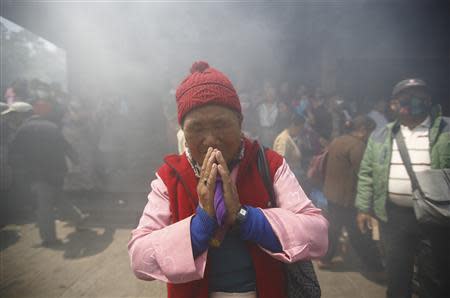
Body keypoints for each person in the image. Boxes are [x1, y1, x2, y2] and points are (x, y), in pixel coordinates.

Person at [128, 61, 328, 298]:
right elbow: (139, 258)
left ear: (240, 124)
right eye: (196, 128)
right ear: (182, 131)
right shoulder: (170, 177)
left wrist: (245, 217)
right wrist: (201, 223)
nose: (211, 139)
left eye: (221, 124)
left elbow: (318, 234)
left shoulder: (268, 164)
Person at [355, 78, 450, 298]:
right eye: (405, 97)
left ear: (428, 100)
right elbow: (367, 173)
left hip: (435, 217)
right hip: (394, 217)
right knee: (397, 274)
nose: (413, 101)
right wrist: (363, 208)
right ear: (394, 105)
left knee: (434, 275)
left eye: (419, 96)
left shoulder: (445, 130)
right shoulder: (380, 134)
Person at [8, 100, 86, 246]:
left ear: (21, 116)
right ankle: (78, 218)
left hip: (40, 173)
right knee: (56, 196)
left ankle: (49, 238)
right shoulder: (52, 126)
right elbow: (66, 146)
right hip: (58, 170)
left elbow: (13, 153)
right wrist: (76, 162)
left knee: (44, 205)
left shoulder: (22, 130)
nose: (12, 120)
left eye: (14, 116)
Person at [319, 115, 384, 274]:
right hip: (347, 198)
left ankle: (325, 259)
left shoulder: (338, 140)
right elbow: (363, 173)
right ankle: (376, 267)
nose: (370, 136)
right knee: (359, 233)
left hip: (331, 193)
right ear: (363, 130)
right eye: (370, 132)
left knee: (334, 229)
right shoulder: (358, 146)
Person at [273, 113, 304, 178]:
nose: (300, 131)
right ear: (293, 126)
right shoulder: (283, 139)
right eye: (300, 128)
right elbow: (280, 162)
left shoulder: (290, 138)